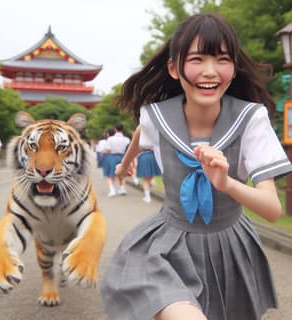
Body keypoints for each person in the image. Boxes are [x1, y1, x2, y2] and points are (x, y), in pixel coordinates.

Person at [100, 13, 292, 320]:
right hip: (166, 247)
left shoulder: (250, 120)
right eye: (198, 59)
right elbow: (140, 132)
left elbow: (272, 209)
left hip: (229, 246)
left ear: (233, 68)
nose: (210, 72)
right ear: (174, 68)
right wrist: (125, 164)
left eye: (222, 59)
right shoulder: (156, 116)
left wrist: (227, 183)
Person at [104, 124, 130, 197]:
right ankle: (122, 188)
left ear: (115, 129)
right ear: (123, 129)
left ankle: (112, 191)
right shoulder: (127, 139)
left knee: (110, 175)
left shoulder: (110, 139)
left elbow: (108, 149)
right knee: (122, 174)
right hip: (123, 157)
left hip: (112, 157)